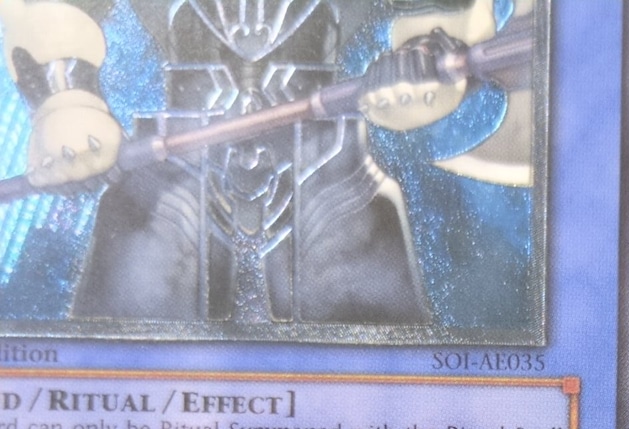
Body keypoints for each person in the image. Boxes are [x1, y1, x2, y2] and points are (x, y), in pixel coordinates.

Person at [0, 0, 526, 323]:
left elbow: (453, 20)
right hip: (166, 184)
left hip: (331, 174)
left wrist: (425, 71)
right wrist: (65, 97)